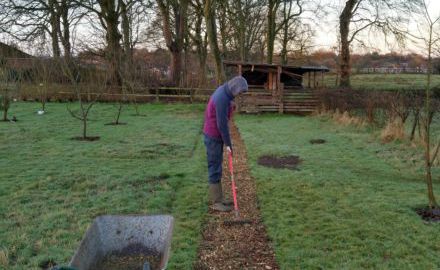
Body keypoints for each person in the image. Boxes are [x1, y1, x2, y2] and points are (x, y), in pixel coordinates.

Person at [203, 75, 248, 212]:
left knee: (217, 166)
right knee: (214, 167)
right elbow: (222, 125)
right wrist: (229, 144)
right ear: (235, 88)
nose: (240, 95)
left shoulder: (225, 93)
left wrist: (231, 105)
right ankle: (216, 202)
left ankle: (220, 198)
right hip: (213, 136)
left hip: (214, 135)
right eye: (240, 92)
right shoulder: (222, 98)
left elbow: (225, 108)